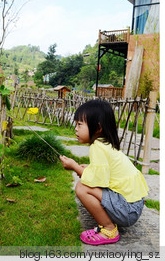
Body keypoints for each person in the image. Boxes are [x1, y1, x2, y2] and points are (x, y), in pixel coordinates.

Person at [59, 99, 148, 245]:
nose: (76, 128)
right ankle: (109, 221)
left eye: (80, 124)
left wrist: (75, 167)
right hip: (133, 205)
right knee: (87, 175)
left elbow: (95, 181)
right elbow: (104, 172)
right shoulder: (105, 143)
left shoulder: (97, 147)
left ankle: (109, 229)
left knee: (82, 188)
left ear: (98, 127)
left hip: (128, 211)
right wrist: (88, 168)